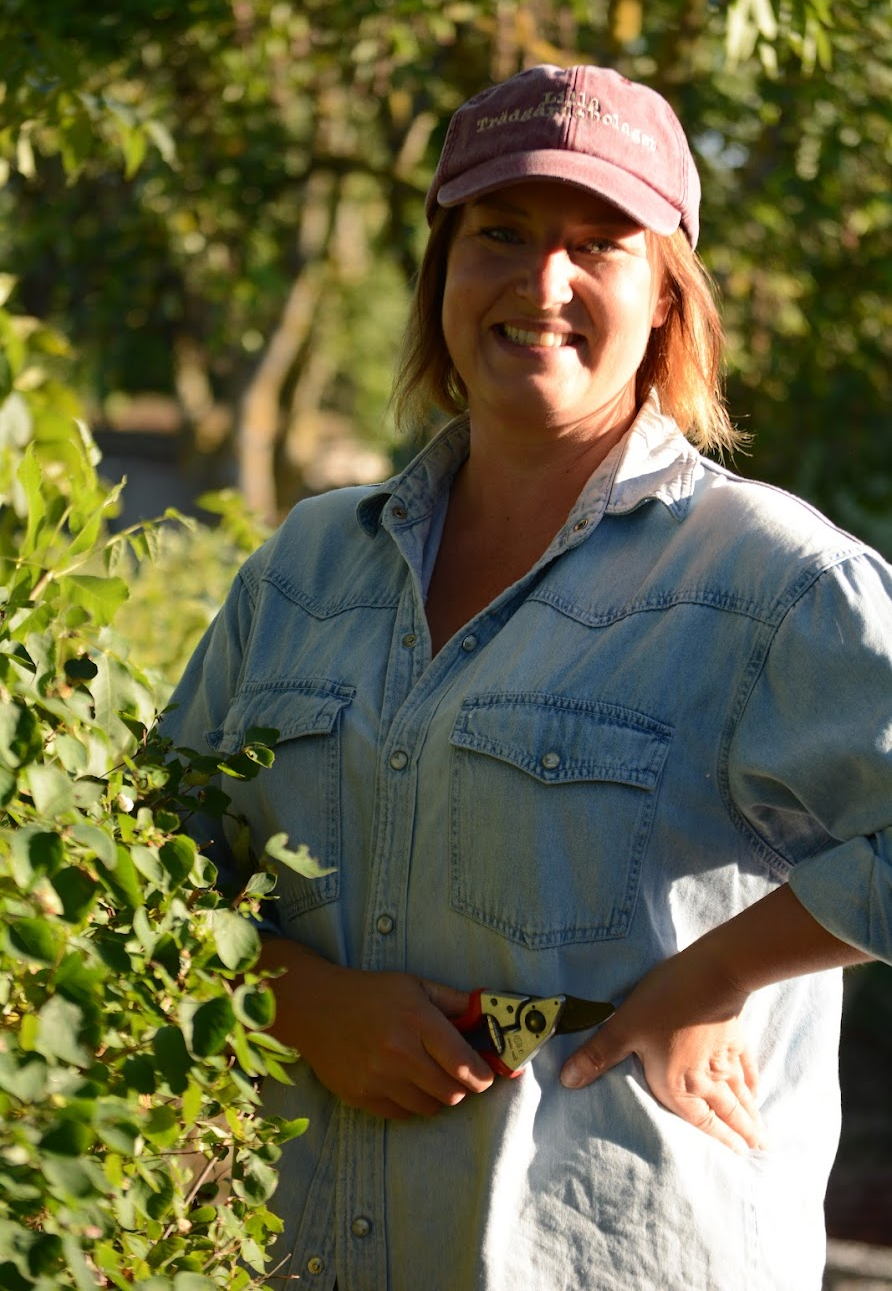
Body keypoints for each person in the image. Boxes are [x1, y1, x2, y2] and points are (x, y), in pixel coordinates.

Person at [162, 64, 892, 1291]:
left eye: (597, 245)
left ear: (665, 294)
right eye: (498, 234)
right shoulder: (305, 567)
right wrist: (299, 998)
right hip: (296, 1251)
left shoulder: (769, 582)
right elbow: (149, 856)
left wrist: (711, 975)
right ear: (443, 271)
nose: (539, 284)